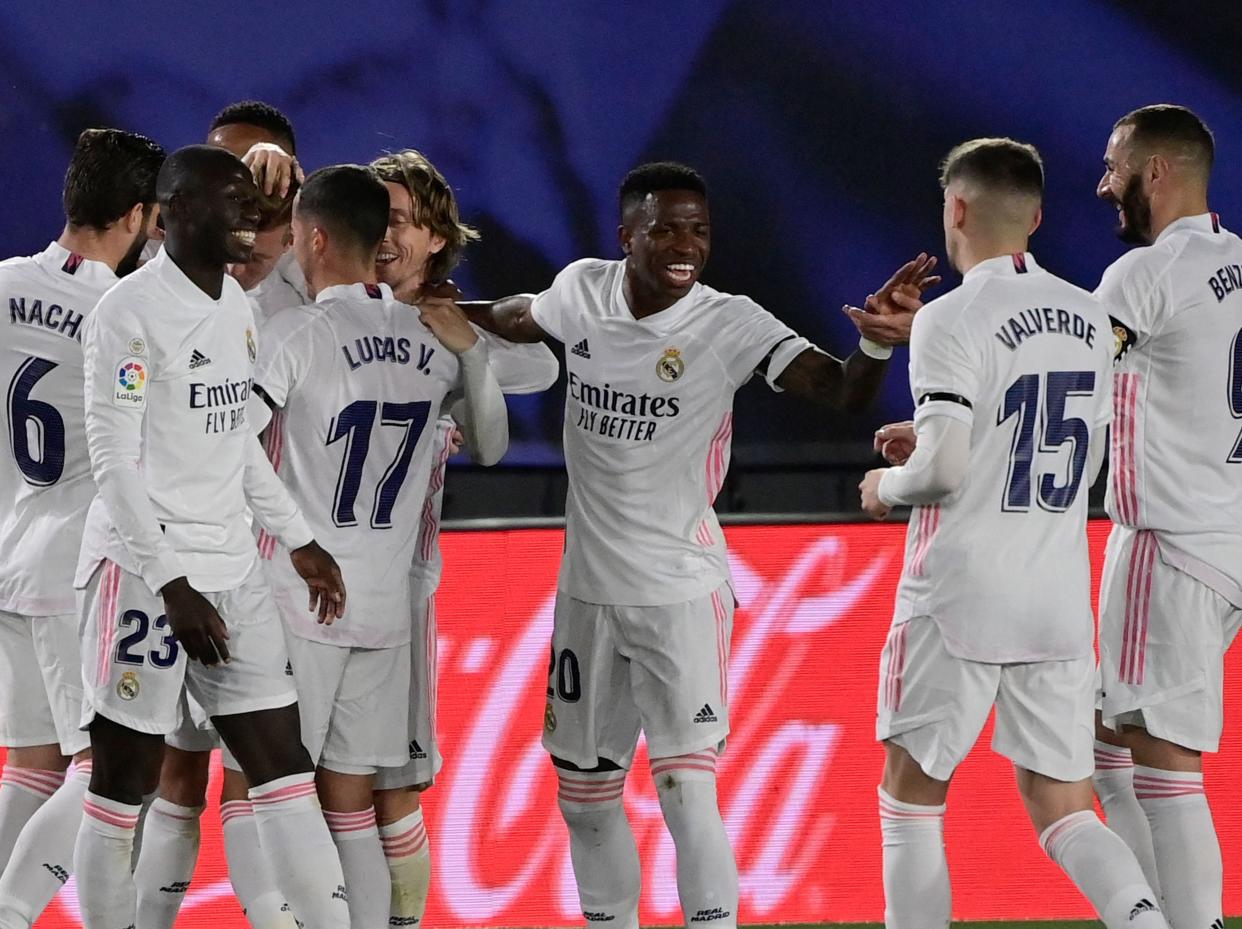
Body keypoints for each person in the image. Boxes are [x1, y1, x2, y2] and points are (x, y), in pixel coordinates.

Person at [463, 160, 936, 929]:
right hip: (587, 595)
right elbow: (515, 315)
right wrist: (429, 305)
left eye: (700, 230)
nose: (687, 245)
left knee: (686, 790)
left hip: (682, 590)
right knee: (583, 797)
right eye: (667, 229)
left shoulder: (731, 322)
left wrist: (878, 347)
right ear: (627, 237)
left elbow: (841, 389)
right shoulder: (582, 289)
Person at [859, 137, 1166, 929]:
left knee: (911, 801)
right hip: (1055, 598)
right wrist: (928, 436)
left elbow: (944, 473)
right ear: (1034, 216)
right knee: (1066, 810)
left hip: (958, 595)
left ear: (954, 208)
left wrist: (888, 482)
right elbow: (1069, 442)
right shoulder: (1094, 317)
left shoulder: (948, 319)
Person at [74, 144, 350, 929]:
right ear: (174, 214)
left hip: (232, 567)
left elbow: (234, 442)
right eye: (231, 201)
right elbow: (115, 464)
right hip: (145, 573)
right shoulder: (126, 314)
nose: (250, 215)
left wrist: (298, 538)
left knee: (282, 765)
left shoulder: (236, 307)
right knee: (123, 783)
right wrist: (170, 584)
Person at [251, 162, 510, 927]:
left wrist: (294, 540)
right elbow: (493, 448)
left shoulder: (295, 332)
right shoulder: (431, 342)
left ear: (316, 238)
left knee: (278, 792)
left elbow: (231, 444)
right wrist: (474, 354)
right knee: (352, 803)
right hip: (386, 607)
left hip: (304, 598)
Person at [367, 147, 559, 928]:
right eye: (373, 219)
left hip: (402, 587)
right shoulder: (318, 316)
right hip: (305, 581)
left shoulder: (452, 340)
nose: (386, 236)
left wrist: (465, 338)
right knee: (296, 780)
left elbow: (533, 377)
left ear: (438, 236)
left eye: (404, 222)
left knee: (394, 784)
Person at [0, 129, 164, 929]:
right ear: (137, 215)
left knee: (30, 766)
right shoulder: (120, 313)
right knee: (101, 765)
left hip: (9, 552)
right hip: (76, 565)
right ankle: (15, 907)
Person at [1089, 104, 1242, 929]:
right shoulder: (1240, 263)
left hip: (1170, 542)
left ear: (1156, 171)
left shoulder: (1144, 276)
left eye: (1113, 168)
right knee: (1103, 744)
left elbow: (1067, 378)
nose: (1102, 184)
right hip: (1228, 537)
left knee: (1162, 760)